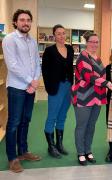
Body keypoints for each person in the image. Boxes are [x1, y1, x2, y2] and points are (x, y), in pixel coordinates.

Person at [2, 9, 41, 173]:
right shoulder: (9, 39)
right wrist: (30, 81)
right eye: (22, 20)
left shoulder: (32, 41)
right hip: (17, 88)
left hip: (30, 88)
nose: (26, 23)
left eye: (28, 20)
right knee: (13, 123)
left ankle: (23, 151)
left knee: (26, 120)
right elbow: (12, 65)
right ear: (16, 22)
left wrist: (35, 81)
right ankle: (12, 158)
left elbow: (37, 62)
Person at [72, 32, 112, 166]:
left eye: (97, 42)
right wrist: (106, 83)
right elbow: (88, 76)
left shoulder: (99, 58)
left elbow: (102, 75)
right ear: (86, 42)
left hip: (97, 96)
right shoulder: (82, 57)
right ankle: (80, 153)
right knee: (82, 126)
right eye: (92, 42)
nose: (95, 44)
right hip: (83, 96)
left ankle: (88, 150)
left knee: (91, 126)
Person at [42, 24, 74, 158]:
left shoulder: (70, 49)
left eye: (63, 33)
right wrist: (49, 88)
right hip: (55, 88)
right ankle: (51, 146)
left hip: (68, 87)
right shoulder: (49, 51)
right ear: (54, 35)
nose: (62, 36)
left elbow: (71, 68)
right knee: (52, 116)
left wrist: (72, 85)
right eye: (59, 33)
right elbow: (45, 71)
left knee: (62, 116)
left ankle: (59, 145)